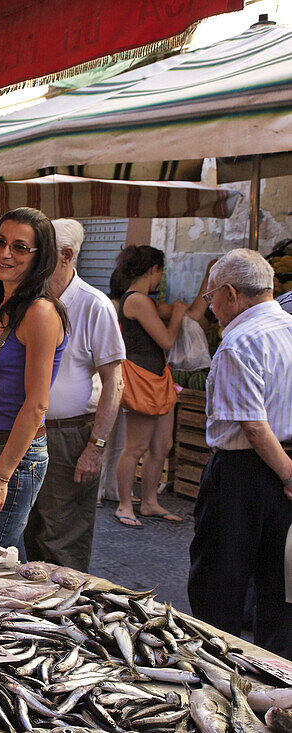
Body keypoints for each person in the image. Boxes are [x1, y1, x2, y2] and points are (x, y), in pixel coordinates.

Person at [188, 248, 292, 658]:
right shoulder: (288, 328)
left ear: (231, 293)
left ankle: (216, 666)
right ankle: (275, 674)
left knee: (219, 580)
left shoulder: (239, 341)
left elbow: (253, 424)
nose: (210, 307)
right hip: (281, 468)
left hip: (243, 473)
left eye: (212, 296)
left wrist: (287, 475)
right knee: (278, 585)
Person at [24, 220, 124, 571]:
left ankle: (64, 616)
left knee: (63, 537)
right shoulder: (30, 299)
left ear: (66, 256)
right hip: (27, 429)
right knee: (31, 529)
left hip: (69, 434)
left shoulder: (94, 305)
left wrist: (95, 448)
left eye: (42, 255)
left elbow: (115, 382)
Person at [0, 208, 68, 552]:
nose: (5, 253)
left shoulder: (40, 312)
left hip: (13, 455)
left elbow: (37, 403)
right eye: (0, 241)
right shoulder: (6, 305)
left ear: (41, 258)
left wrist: (0, 475)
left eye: (20, 247)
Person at [109, 245, 190, 528]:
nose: (160, 278)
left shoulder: (147, 301)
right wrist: (177, 316)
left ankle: (150, 502)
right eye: (161, 272)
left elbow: (187, 312)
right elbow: (167, 340)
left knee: (162, 445)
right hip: (143, 379)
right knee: (136, 447)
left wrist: (207, 280)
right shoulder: (137, 301)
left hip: (159, 378)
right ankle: (124, 505)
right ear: (153, 270)